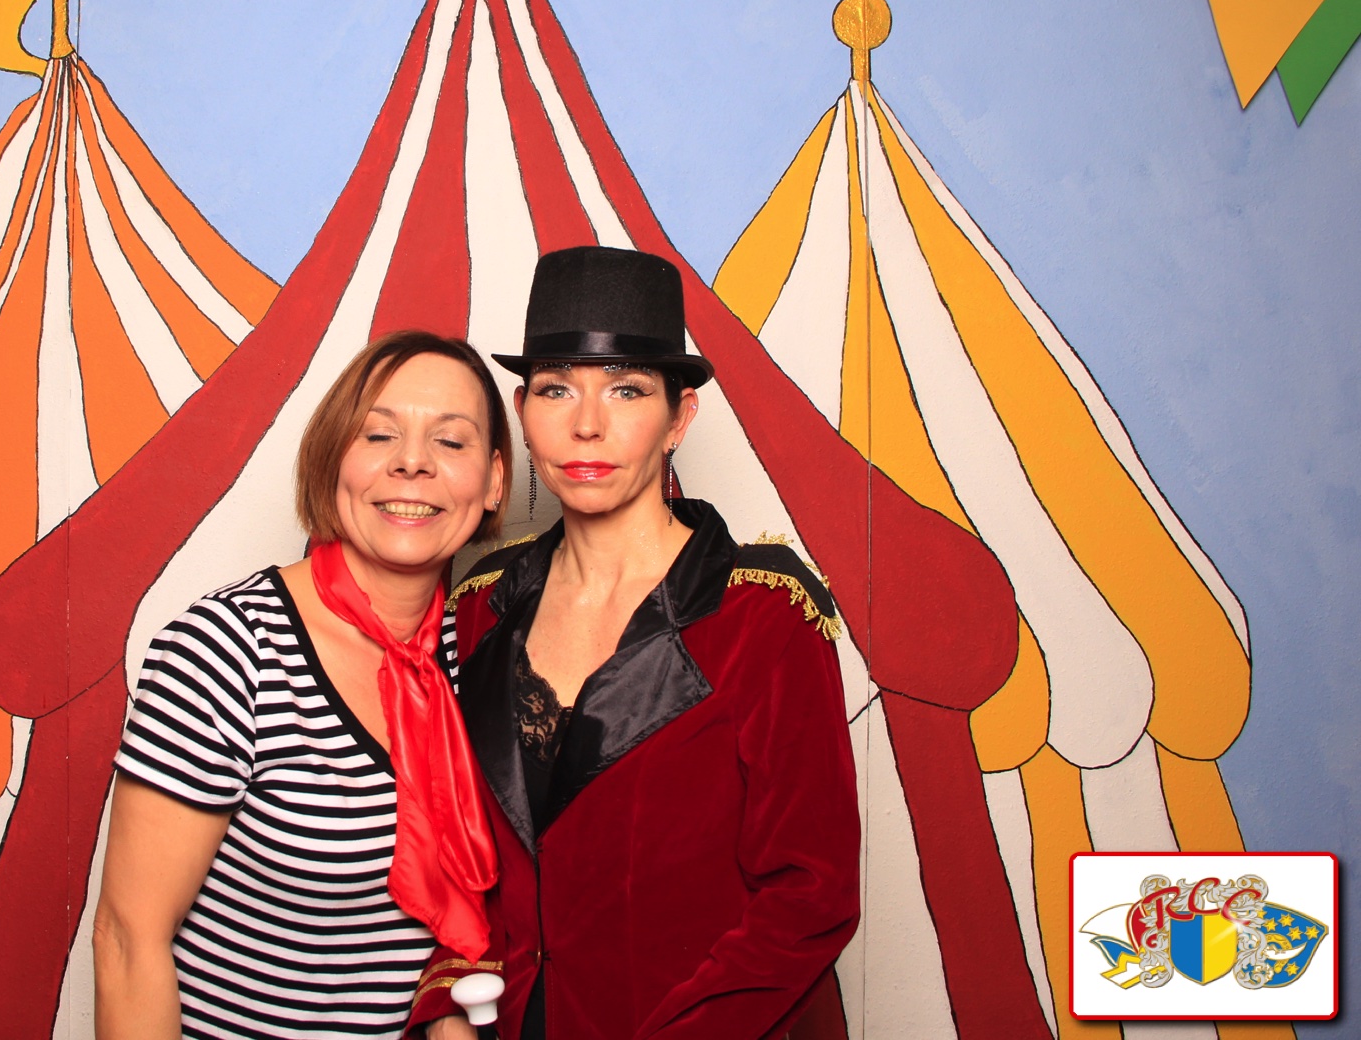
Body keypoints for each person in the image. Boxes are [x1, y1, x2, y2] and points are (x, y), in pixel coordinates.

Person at [409, 248, 861, 1040]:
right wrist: (446, 1007)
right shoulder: (479, 607)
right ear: (521, 411)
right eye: (557, 388)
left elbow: (810, 894)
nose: (587, 423)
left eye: (627, 390)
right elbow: (454, 860)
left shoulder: (763, 614)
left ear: (680, 418)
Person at [94, 331, 512, 1039]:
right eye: (378, 434)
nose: (412, 462)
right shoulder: (227, 652)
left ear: (495, 480)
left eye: (450, 441)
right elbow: (128, 941)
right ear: (331, 458)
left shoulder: (488, 650)